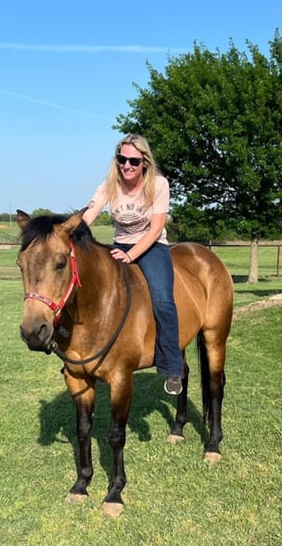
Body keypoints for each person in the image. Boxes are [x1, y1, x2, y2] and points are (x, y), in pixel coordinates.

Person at [82, 134, 184, 395]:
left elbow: (156, 227)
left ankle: (173, 367)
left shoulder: (159, 184)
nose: (127, 165)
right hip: (119, 245)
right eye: (122, 159)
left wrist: (131, 256)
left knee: (162, 299)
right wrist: (70, 232)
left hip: (152, 246)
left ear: (145, 163)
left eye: (133, 161)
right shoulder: (110, 184)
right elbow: (90, 213)